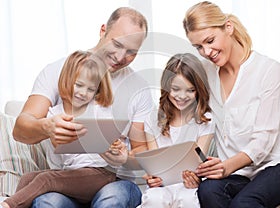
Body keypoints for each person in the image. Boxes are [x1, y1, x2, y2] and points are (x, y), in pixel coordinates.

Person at [12, 7, 153, 208]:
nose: (121, 56)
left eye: (132, 52)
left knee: (112, 199)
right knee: (47, 202)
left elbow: (142, 152)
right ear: (103, 30)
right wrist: (47, 127)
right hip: (66, 183)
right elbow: (20, 130)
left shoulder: (138, 87)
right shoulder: (58, 71)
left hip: (114, 181)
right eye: (117, 44)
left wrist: (124, 158)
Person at [182, 1, 280, 208]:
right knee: (208, 190)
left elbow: (264, 140)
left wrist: (226, 167)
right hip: (239, 172)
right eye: (198, 47)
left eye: (210, 41)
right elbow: (191, 118)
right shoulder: (206, 73)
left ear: (228, 27)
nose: (207, 51)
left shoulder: (268, 70)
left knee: (245, 202)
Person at [0, 50, 124, 208]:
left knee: (47, 179)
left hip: (100, 174)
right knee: (28, 178)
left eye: (90, 89)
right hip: (71, 175)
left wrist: (114, 147)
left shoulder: (99, 110)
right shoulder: (54, 114)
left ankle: (7, 205)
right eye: (79, 85)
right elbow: (58, 157)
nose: (83, 93)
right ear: (67, 80)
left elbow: (113, 140)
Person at [140, 53, 215, 208]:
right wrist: (153, 178)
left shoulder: (206, 120)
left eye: (190, 90)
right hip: (161, 186)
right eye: (175, 89)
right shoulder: (152, 119)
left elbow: (199, 160)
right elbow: (154, 165)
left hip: (188, 186)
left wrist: (195, 178)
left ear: (199, 90)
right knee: (155, 199)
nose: (182, 96)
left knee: (188, 200)